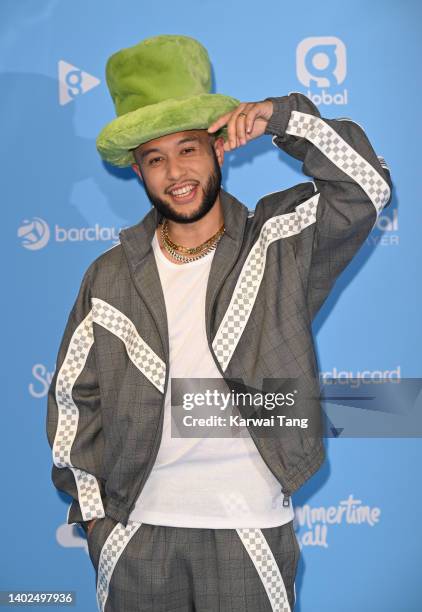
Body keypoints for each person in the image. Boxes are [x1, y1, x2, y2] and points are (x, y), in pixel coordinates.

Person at [46, 34, 392, 612]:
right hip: (136, 542)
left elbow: (366, 187)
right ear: (138, 171)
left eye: (188, 149)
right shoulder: (107, 276)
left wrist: (283, 118)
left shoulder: (277, 241)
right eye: (155, 159)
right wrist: (100, 527)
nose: (175, 172)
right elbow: (71, 406)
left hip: (248, 531)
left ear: (218, 149)